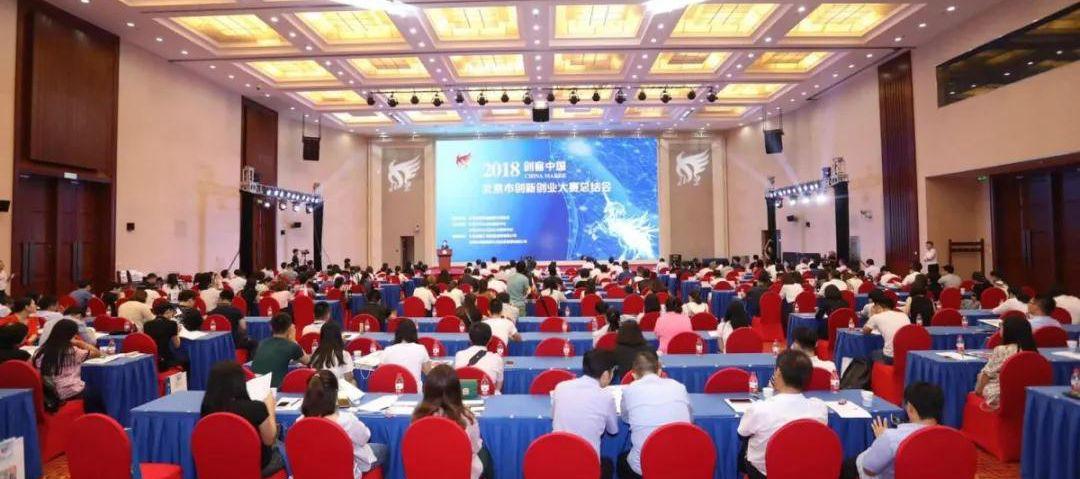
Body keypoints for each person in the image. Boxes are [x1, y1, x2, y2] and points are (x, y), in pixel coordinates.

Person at [738, 350, 829, 479]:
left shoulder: (759, 409)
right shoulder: (820, 408)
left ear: (778, 373)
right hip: (805, 470)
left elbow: (742, 433)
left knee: (745, 446)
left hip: (764, 472)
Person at [842, 382, 944, 479]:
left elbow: (869, 469)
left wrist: (882, 440)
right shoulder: (950, 437)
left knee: (848, 466)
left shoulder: (892, 438)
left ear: (910, 408)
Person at [200, 362, 284, 477]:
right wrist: (270, 406)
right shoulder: (256, 408)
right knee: (284, 449)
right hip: (255, 466)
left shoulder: (207, 408)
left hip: (218, 465)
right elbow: (269, 439)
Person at [618, 351, 691, 479]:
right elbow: (689, 422)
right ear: (659, 371)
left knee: (621, 459)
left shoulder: (629, 390)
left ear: (634, 375)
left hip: (643, 469)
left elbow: (625, 418)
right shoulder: (679, 387)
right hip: (679, 464)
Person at [300, 370, 388, 478]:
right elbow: (364, 437)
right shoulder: (346, 420)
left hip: (312, 471)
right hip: (345, 471)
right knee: (383, 449)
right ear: (335, 393)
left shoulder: (299, 422)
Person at [412, 364, 491, 479]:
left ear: (426, 390)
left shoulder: (417, 418)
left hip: (426, 473)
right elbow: (475, 447)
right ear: (457, 391)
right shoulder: (467, 418)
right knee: (485, 452)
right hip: (462, 473)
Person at [552, 350, 619, 478]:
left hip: (557, 462)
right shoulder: (606, 397)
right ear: (606, 374)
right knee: (609, 464)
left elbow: (553, 416)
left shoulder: (561, 387)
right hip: (588, 466)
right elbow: (613, 430)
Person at [974, 316, 1037, 409]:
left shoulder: (1001, 350)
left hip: (1001, 395)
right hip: (1026, 394)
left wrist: (978, 391)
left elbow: (986, 375)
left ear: (1009, 330)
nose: (999, 328)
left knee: (980, 377)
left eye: (1001, 325)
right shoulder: (1033, 351)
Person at [33, 319, 102, 400]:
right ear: (71, 335)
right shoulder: (72, 352)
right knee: (99, 391)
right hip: (71, 391)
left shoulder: (40, 351)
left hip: (48, 393)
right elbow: (97, 353)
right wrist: (80, 343)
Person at [251, 313, 310, 387]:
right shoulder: (292, 346)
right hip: (275, 389)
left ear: (271, 328)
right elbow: (308, 361)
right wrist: (293, 340)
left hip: (254, 386)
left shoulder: (262, 343)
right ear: (289, 329)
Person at [380, 319, 432, 391]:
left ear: (397, 333)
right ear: (414, 333)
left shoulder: (388, 350)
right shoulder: (421, 349)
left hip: (393, 391)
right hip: (415, 392)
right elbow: (429, 372)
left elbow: (380, 373)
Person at [862, 290, 911, 365]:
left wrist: (873, 316)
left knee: (870, 353)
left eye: (875, 306)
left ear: (879, 306)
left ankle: (874, 372)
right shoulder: (903, 315)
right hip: (907, 355)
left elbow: (865, 331)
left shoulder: (876, 317)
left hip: (890, 356)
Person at [453, 322, 504, 393]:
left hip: (463, 395)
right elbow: (498, 388)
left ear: (470, 339)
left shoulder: (459, 355)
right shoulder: (497, 359)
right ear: (490, 339)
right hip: (488, 397)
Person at [208, 289, 257, 355]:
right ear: (232, 300)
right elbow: (243, 328)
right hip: (234, 342)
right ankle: (250, 361)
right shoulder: (237, 311)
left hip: (216, 343)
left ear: (220, 299)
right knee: (254, 343)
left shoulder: (212, 312)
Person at [143, 302, 190, 371]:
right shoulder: (172, 324)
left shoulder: (147, 324)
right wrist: (177, 332)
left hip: (153, 359)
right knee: (187, 359)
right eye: (172, 311)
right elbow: (177, 345)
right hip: (166, 359)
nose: (173, 314)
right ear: (168, 311)